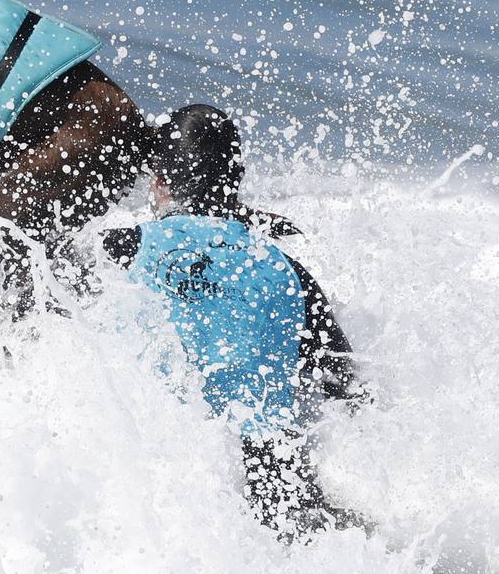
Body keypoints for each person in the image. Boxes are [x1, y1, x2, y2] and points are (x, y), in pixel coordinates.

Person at [100, 104, 366, 540]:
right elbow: (346, 388)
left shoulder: (121, 249)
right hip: (276, 477)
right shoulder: (288, 269)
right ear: (235, 181)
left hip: (166, 475)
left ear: (161, 182)